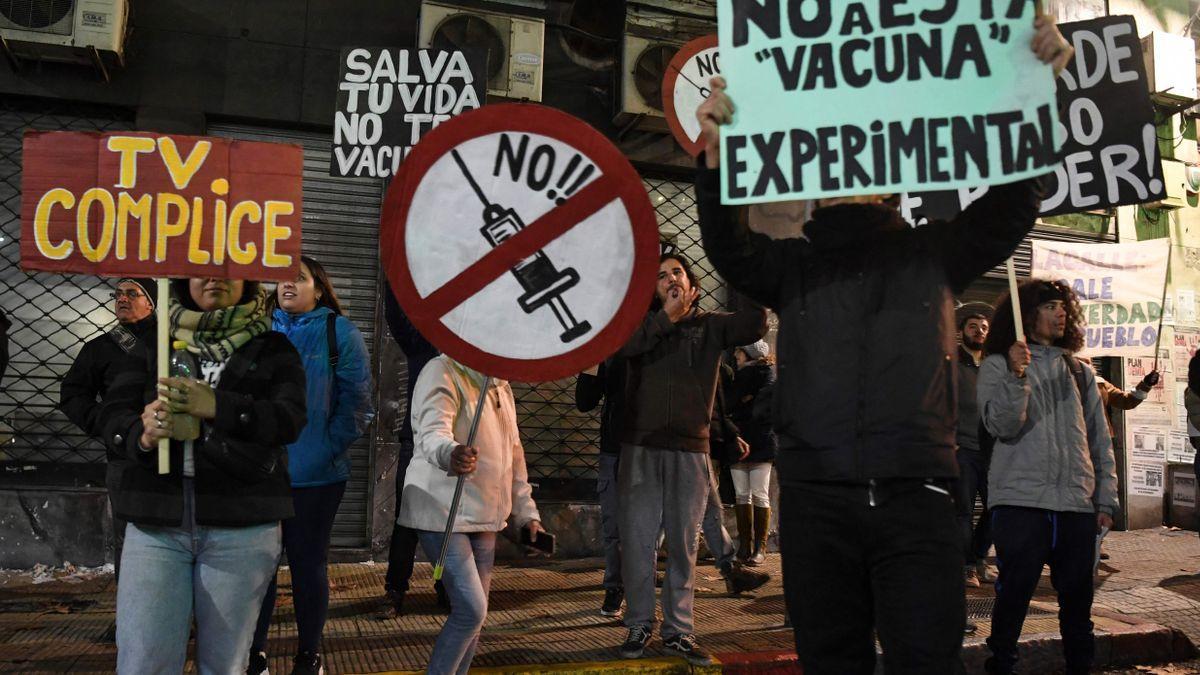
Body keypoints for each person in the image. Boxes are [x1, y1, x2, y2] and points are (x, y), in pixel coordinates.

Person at [695, 14, 1073, 672]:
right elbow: (727, 245)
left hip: (917, 502)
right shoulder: (792, 266)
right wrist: (714, 153)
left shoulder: (934, 253)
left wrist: (1037, 92)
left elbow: (1015, 198)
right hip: (819, 504)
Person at [99, 277, 306, 674]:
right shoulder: (153, 342)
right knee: (143, 660)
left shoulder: (273, 348)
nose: (214, 277)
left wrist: (218, 406)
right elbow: (112, 411)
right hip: (157, 521)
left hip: (242, 523)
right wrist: (140, 432)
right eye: (201, 268)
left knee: (225, 664)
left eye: (227, 268)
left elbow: (289, 419)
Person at [615, 252, 767, 665]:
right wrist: (665, 317)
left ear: (692, 281)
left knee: (683, 547)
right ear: (653, 289)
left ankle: (678, 633)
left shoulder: (709, 325)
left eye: (677, 272)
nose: (670, 279)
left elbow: (755, 324)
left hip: (689, 450)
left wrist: (748, 269)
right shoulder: (642, 325)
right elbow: (624, 346)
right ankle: (639, 625)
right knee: (639, 544)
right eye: (661, 275)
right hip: (641, 448)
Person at [978, 279, 1118, 675]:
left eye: (1063, 307)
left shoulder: (1079, 370)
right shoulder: (996, 366)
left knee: (1077, 601)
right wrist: (1016, 375)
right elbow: (1001, 426)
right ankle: (1001, 663)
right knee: (1015, 594)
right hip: (1020, 502)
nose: (1061, 313)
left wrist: (1104, 500)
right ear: (1027, 316)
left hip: (1075, 503)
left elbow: (1099, 440)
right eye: (1051, 306)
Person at [249, 256, 374, 675]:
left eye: (298, 279)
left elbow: (356, 407)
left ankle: (309, 654)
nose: (287, 284)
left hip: (317, 477)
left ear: (318, 289)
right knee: (258, 567)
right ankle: (255, 653)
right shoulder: (257, 330)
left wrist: (324, 449)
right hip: (260, 475)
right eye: (282, 278)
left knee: (307, 564)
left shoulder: (341, 334)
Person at [400, 354, 544, 675]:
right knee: (471, 610)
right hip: (441, 508)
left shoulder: (501, 388)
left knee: (474, 619)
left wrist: (526, 515)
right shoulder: (443, 370)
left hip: (485, 514)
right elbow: (431, 432)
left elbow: (514, 459)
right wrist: (450, 453)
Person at [59, 277, 156, 589]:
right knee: (128, 537)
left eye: (132, 293)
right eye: (118, 294)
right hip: (124, 456)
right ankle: (130, 620)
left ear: (151, 302)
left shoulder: (168, 341)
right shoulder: (100, 349)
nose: (122, 299)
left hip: (170, 452)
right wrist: (106, 424)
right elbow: (73, 394)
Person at [381, 282, 445, 616]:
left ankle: (446, 586)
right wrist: (395, 272)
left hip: (459, 447)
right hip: (417, 441)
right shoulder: (424, 345)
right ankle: (395, 589)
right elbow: (397, 317)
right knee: (406, 519)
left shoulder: (474, 357)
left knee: (452, 522)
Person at [575, 356, 627, 617]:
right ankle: (615, 587)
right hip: (615, 449)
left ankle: (639, 593)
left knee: (646, 531)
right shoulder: (608, 351)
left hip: (649, 448)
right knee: (614, 527)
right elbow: (584, 401)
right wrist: (593, 359)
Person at [954, 304, 995, 589]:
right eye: (973, 327)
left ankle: (980, 558)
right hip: (961, 449)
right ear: (961, 331)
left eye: (983, 328)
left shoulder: (995, 364)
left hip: (993, 450)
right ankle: (966, 566)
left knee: (997, 507)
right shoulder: (950, 364)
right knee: (963, 512)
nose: (978, 332)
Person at [728, 340, 778, 566]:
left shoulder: (766, 376)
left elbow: (762, 408)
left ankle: (760, 547)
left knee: (759, 492)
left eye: (739, 352)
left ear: (748, 355)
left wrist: (744, 401)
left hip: (760, 440)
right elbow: (729, 403)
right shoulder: (739, 378)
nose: (736, 355)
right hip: (739, 439)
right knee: (742, 493)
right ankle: (746, 546)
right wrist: (744, 401)